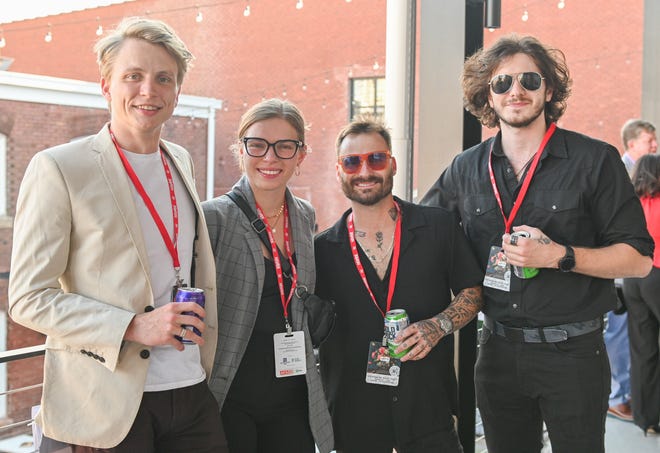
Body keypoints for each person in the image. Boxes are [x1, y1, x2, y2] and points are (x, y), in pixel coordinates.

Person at [421, 34, 654, 453]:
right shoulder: (465, 168)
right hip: (496, 351)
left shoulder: (594, 160)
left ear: (549, 89)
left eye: (530, 79)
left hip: (574, 354)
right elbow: (422, 234)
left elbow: (637, 260)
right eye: (502, 83)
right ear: (487, 96)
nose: (516, 91)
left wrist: (559, 256)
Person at [7, 17, 224, 452]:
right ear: (106, 85)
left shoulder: (179, 159)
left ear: (177, 91)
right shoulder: (60, 167)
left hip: (191, 390)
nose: (149, 90)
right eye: (133, 76)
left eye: (164, 78)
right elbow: (27, 299)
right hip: (108, 404)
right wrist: (131, 326)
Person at [315, 118, 484, 453]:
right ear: (339, 171)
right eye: (352, 162)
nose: (364, 171)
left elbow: (473, 291)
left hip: (428, 411)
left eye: (375, 159)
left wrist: (438, 326)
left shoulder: (438, 226)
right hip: (354, 420)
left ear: (391, 164)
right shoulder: (320, 250)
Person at [202, 99, 334, 453]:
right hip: (230, 396)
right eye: (257, 145)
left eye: (284, 147)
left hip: (291, 396)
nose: (270, 158)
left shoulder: (304, 216)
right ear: (240, 150)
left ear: (300, 156)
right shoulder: (212, 219)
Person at [604, 119, 657, 422]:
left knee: (631, 336)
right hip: (621, 272)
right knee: (619, 334)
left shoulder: (643, 174)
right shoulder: (623, 174)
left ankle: (631, 397)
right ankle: (617, 397)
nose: (654, 145)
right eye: (649, 140)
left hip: (634, 273)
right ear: (632, 143)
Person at [623, 153, 660, 435]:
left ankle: (646, 419)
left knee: (642, 349)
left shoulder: (631, 204)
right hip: (657, 274)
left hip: (633, 279)